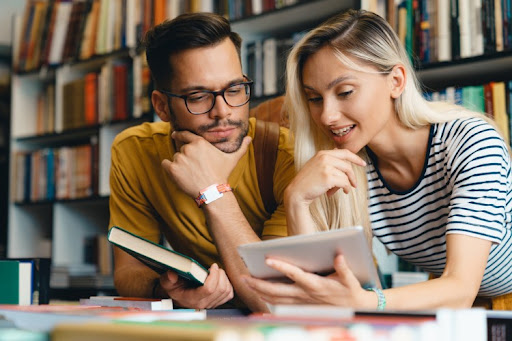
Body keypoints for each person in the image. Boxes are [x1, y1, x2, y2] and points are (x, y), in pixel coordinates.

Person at [243, 9, 512, 310]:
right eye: (315, 98)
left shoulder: (471, 142)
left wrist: (370, 300)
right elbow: (318, 292)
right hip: (457, 300)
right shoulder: (350, 165)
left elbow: (460, 287)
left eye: (344, 92)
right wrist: (296, 199)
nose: (327, 116)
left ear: (396, 81)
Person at [108, 12, 295, 311]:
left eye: (234, 90)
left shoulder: (286, 156)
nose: (222, 111)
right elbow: (128, 271)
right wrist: (168, 289)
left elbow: (271, 299)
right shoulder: (135, 151)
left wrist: (211, 189)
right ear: (161, 106)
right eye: (198, 96)